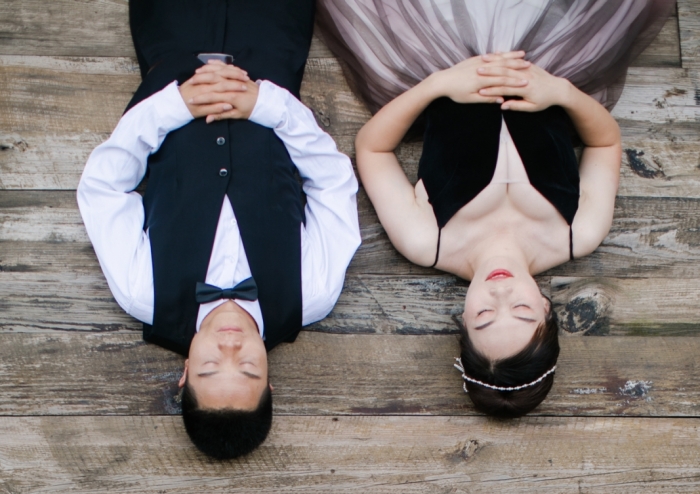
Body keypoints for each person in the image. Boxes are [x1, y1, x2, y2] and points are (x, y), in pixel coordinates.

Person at [316, 0, 674, 417]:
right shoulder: (580, 231)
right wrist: (560, 93)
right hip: (549, 56)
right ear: (545, 308)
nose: (499, 292)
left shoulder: (427, 240)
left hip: (445, 51)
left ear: (464, 320)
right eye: (520, 310)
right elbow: (605, 142)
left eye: (485, 314)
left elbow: (372, 148)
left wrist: (438, 85)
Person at [78, 0, 361, 459]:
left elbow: (103, 187)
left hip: (174, 53)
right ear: (270, 379)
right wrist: (267, 105)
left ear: (185, 372)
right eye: (247, 366)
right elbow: (333, 182)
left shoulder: (143, 294)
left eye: (212, 365)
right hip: (271, 51)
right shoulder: (312, 293)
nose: (230, 345)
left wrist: (175, 104)